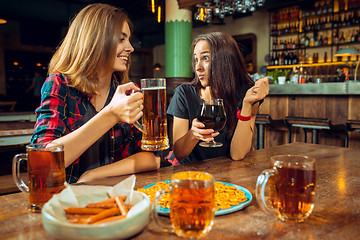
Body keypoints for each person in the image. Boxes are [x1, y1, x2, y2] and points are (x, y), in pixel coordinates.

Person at [31, 3, 160, 183]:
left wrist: (93, 175)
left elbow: (152, 159)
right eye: (121, 39)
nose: (130, 48)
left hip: (116, 198)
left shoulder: (123, 92)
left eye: (129, 40)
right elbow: (43, 164)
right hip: (66, 199)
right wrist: (111, 115)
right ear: (95, 40)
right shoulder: (60, 84)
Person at [166, 32, 269, 165]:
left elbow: (238, 154)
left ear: (225, 60)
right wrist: (193, 134)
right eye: (196, 59)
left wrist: (247, 104)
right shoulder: (184, 93)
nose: (198, 67)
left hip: (229, 172)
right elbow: (179, 154)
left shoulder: (245, 93)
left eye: (206, 58)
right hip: (191, 173)